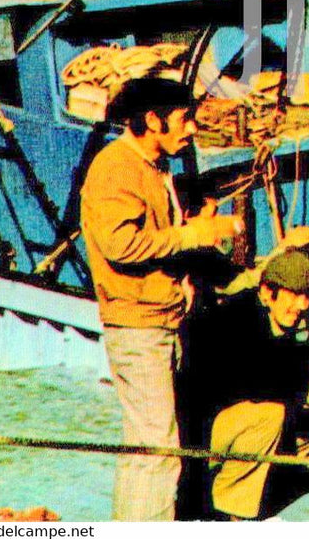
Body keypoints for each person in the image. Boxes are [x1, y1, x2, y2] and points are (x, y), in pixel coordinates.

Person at [79, 77, 242, 521]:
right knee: (157, 449)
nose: (191, 129)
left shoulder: (152, 168)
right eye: (184, 119)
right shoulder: (117, 168)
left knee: (148, 446)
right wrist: (195, 235)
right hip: (138, 327)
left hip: (160, 321)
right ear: (153, 120)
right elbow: (120, 245)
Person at [177, 248, 309, 520]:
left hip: (232, 429)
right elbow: (258, 376)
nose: (302, 305)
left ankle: (243, 496)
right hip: (198, 437)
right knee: (272, 415)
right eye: (294, 295)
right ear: (266, 292)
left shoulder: (285, 323)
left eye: (306, 296)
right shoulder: (237, 317)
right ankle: (229, 506)